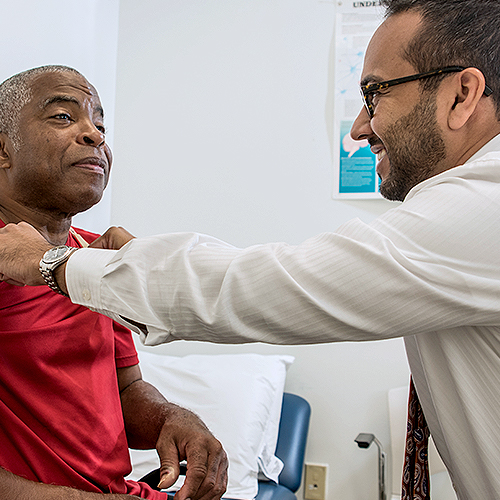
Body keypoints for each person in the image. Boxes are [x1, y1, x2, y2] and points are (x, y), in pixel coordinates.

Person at [1, 0, 500, 498]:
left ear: (462, 95)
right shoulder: (91, 265)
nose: (359, 128)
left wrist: (173, 417)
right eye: (64, 116)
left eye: (374, 95)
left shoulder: (88, 261)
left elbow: (265, 288)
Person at [0, 65, 227, 500]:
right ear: (3, 149)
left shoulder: (97, 260)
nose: (95, 136)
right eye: (64, 117)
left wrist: (171, 419)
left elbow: (126, 390)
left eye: (100, 123)